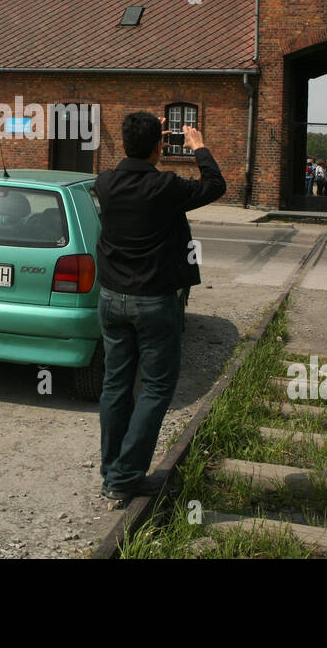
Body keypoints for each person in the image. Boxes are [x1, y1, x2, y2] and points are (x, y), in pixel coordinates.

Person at [94, 112, 225, 504]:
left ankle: (112, 468)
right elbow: (215, 186)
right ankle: (124, 476)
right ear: (159, 147)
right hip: (153, 302)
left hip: (111, 300)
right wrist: (198, 147)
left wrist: (151, 136)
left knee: (116, 384)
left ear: (123, 142)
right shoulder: (165, 185)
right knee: (155, 387)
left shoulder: (105, 182)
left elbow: (137, 161)